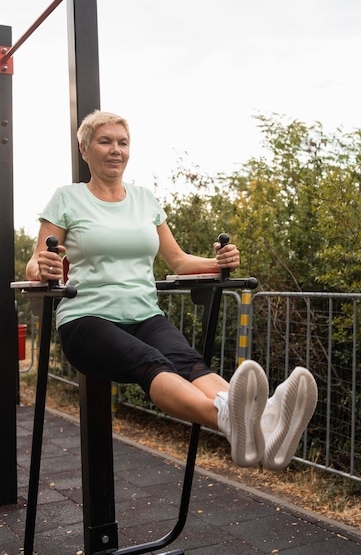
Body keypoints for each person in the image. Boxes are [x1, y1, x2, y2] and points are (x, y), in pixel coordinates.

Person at [26, 110, 317, 471]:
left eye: (122, 142)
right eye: (105, 141)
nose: (115, 150)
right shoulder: (67, 198)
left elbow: (178, 261)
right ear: (85, 149)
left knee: (189, 364)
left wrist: (221, 261)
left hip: (145, 314)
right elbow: (37, 261)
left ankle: (258, 430)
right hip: (88, 318)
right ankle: (249, 419)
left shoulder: (145, 200)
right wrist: (43, 266)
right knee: (153, 363)